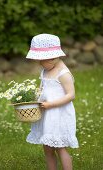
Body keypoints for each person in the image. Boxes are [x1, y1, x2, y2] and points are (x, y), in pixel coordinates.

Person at [26, 33, 79, 170]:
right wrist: (35, 99)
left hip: (58, 115)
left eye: (41, 60)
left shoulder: (63, 73)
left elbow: (71, 95)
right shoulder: (45, 71)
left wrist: (51, 104)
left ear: (52, 58)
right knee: (47, 148)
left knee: (60, 147)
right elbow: (42, 89)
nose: (39, 63)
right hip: (46, 114)